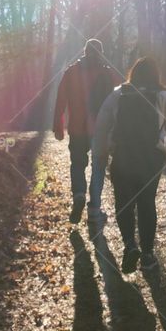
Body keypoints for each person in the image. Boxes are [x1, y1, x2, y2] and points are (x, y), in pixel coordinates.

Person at [93, 57, 166, 273]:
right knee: (146, 203)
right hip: (151, 159)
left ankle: (129, 245)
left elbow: (101, 125)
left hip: (123, 155)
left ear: (132, 73)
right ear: (156, 74)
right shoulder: (163, 96)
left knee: (123, 203)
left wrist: (100, 154)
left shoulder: (118, 94)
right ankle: (147, 254)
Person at [53, 39, 123, 224]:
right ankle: (94, 209)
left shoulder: (71, 72)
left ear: (84, 52)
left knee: (77, 163)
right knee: (98, 167)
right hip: (100, 128)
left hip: (77, 127)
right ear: (101, 52)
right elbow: (121, 101)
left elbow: (61, 98)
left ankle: (78, 195)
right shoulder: (108, 73)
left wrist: (58, 124)